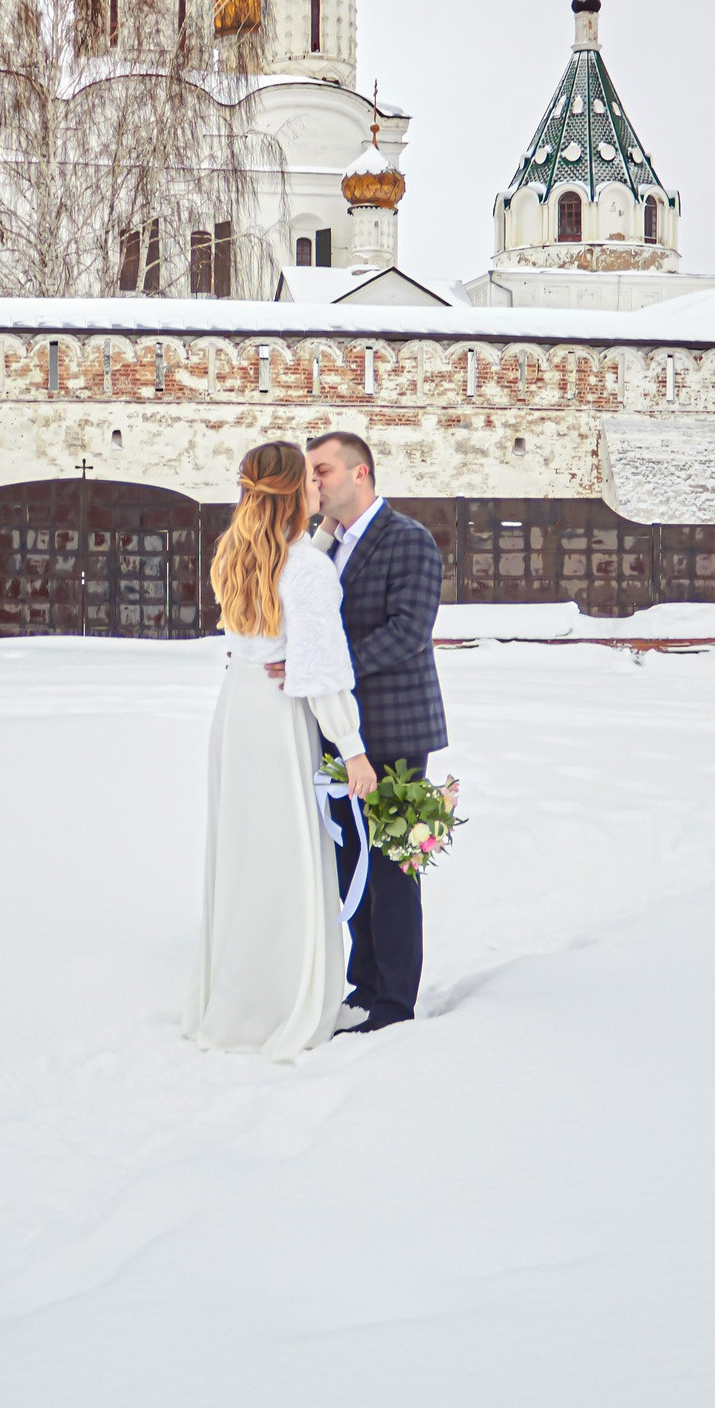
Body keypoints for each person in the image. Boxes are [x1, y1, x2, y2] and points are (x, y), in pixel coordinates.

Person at [184, 441, 380, 1061]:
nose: (322, 486)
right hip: (278, 724)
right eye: (312, 479)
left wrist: (316, 536)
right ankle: (285, 1003)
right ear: (297, 491)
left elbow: (284, 599)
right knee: (290, 862)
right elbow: (323, 671)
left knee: (245, 858)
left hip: (236, 712)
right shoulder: (306, 568)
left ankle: (238, 997)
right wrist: (352, 750)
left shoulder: (238, 552)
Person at [305, 431, 448, 1032]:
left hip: (391, 728)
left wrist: (328, 669)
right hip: (340, 732)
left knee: (390, 866)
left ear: (360, 473)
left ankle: (394, 1002)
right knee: (350, 864)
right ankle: (363, 987)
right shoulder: (324, 547)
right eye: (312, 473)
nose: (314, 482)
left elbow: (408, 630)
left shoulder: (408, 540)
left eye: (323, 471)